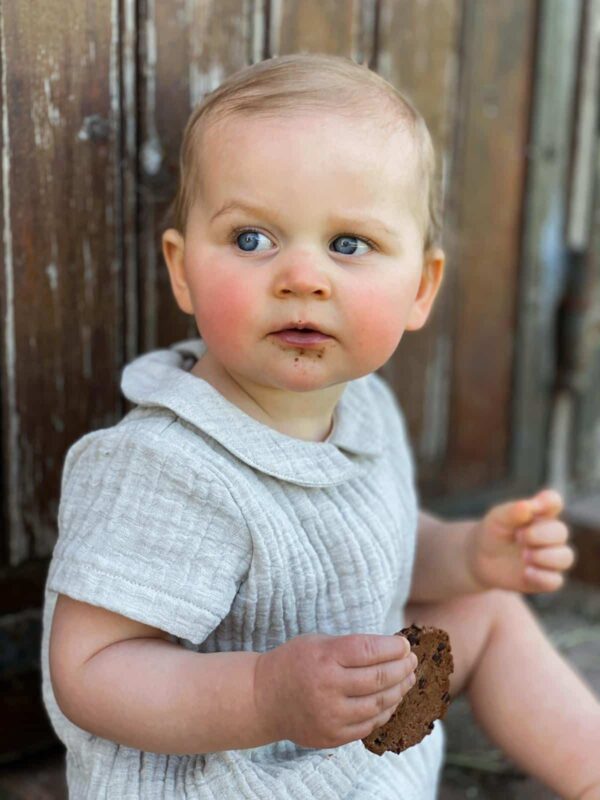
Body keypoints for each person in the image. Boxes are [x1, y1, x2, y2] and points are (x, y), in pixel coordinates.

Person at [41, 52, 600, 799]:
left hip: (350, 744)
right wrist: (263, 695)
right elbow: (90, 672)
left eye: (347, 245)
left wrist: (466, 553)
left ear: (420, 288)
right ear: (182, 270)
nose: (302, 275)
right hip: (231, 777)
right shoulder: (163, 465)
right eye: (252, 239)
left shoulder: (362, 404)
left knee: (486, 611)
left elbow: (371, 550)